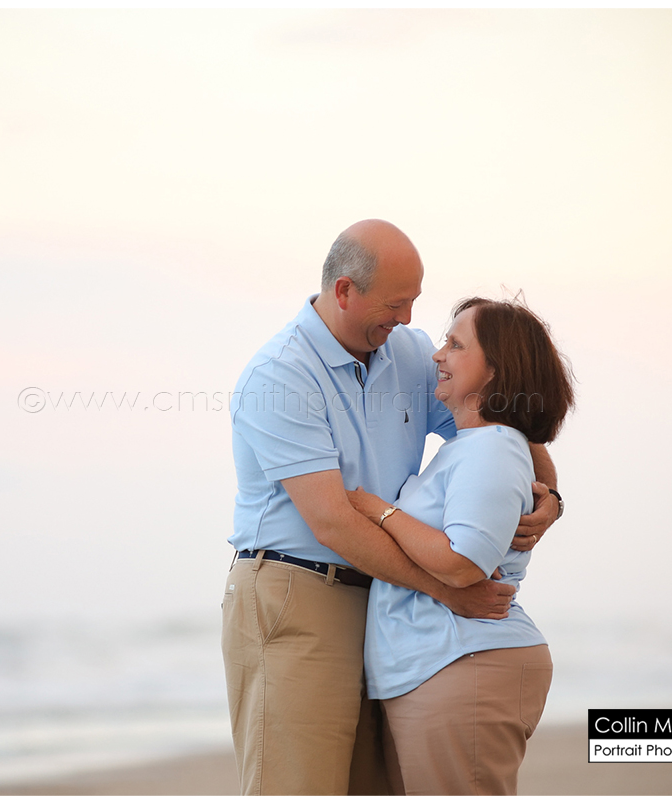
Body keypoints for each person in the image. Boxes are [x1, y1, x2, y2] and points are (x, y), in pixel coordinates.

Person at [222, 220, 563, 795]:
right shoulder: (280, 376)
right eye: (395, 303)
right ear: (345, 291)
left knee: (375, 790)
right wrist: (447, 589)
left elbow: (498, 420)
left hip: (388, 603)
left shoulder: (405, 353)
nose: (408, 319)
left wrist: (549, 496)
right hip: (300, 592)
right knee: (299, 788)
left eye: (413, 301)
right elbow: (333, 521)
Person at [347, 296, 575, 795]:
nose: (438, 355)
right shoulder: (471, 447)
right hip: (439, 666)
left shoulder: (492, 448)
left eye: (455, 344)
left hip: (464, 661)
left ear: (495, 369)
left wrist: (379, 511)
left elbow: (461, 563)